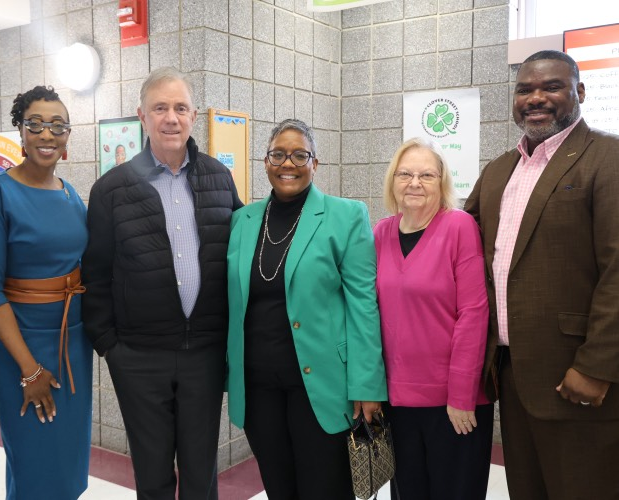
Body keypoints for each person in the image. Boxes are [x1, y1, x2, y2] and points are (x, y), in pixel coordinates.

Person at [465, 50, 619, 500]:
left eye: (551, 86)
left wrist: (596, 366)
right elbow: (458, 245)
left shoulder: (607, 159)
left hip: (578, 374)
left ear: (580, 92)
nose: (536, 97)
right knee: (526, 489)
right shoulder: (498, 171)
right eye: (524, 89)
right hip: (510, 373)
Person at [82, 67, 242, 499]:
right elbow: (95, 273)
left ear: (193, 116)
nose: (171, 118)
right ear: (142, 116)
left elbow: (237, 260)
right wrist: (110, 347)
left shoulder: (218, 179)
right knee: (152, 475)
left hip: (204, 354)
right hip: (138, 356)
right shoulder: (111, 189)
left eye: (180, 108)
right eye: (160, 108)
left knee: (200, 471)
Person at [226, 119, 387, 500]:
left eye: (300, 155)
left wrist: (368, 386)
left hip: (322, 386)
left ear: (316, 163)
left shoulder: (346, 216)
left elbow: (363, 305)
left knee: (325, 489)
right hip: (258, 386)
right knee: (280, 488)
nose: (288, 164)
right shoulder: (242, 221)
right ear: (265, 161)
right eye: (278, 154)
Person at [0, 86, 92, 499]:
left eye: (58, 125)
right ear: (20, 131)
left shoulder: (71, 194)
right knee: (34, 458)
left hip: (72, 340)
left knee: (68, 462)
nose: (47, 134)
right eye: (35, 124)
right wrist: (30, 369)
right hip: (19, 343)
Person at [374, 138, 493, 499]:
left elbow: (474, 313)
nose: (415, 183)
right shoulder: (380, 232)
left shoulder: (458, 226)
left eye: (427, 175)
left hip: (451, 402)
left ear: (442, 181)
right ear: (393, 180)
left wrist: (461, 395)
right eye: (405, 173)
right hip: (397, 400)